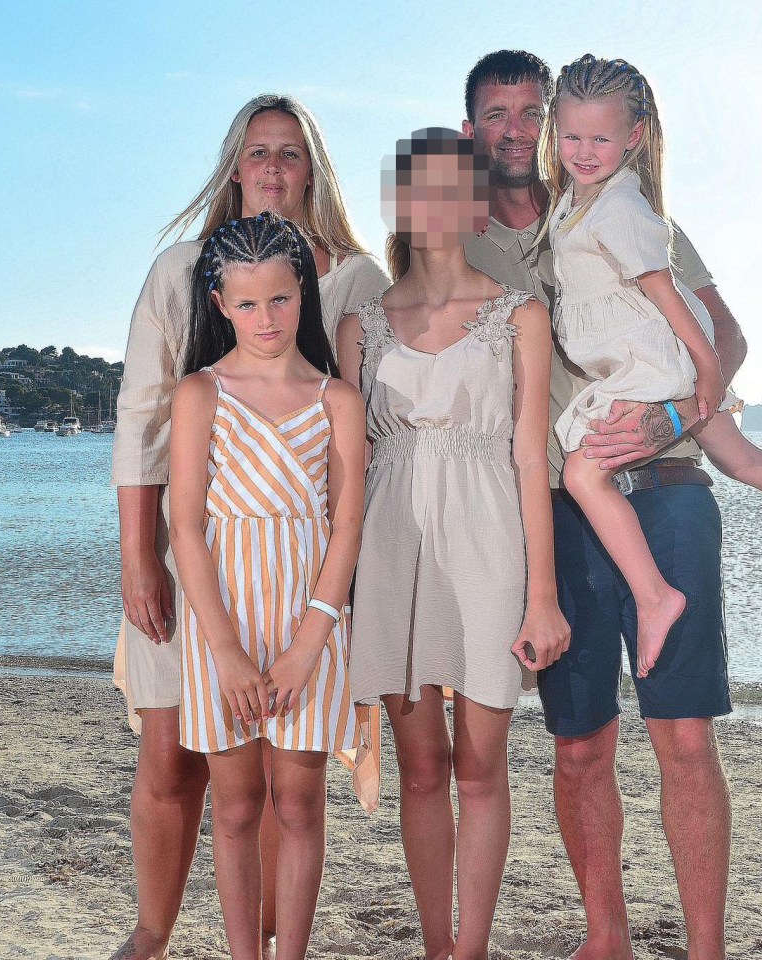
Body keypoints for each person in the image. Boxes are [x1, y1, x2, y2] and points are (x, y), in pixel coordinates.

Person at [461, 49, 734, 960]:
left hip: (665, 491)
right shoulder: (461, 244)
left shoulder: (629, 212)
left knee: (683, 738)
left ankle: (706, 952)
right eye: (497, 114)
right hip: (557, 513)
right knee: (578, 747)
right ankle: (604, 941)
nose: (515, 129)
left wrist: (675, 413)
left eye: (527, 112)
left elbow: (725, 335)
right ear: (474, 131)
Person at [110, 94, 387, 960]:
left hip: (311, 588)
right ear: (236, 165)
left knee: (292, 795)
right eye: (259, 152)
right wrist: (139, 552)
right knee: (176, 756)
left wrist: (324, 623)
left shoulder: (357, 279)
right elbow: (145, 413)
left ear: (314, 171)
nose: (273, 167)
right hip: (207, 576)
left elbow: (361, 465)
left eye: (292, 154)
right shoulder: (183, 270)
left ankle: (273, 941)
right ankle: (155, 929)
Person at [540, 54, 762, 674]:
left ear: (634, 137)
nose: (583, 150)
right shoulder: (579, 201)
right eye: (571, 135)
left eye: (600, 138)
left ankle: (655, 597)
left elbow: (670, 298)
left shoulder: (620, 209)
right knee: (737, 456)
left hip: (649, 360)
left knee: (585, 475)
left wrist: (706, 374)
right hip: (646, 356)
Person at [337, 128, 570, 960]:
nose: (433, 204)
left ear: (476, 204)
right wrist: (340, 592)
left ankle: (470, 950)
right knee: (422, 767)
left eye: (452, 187)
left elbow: (531, 455)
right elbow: (350, 473)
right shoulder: (363, 327)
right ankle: (437, 947)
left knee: (481, 765)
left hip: (489, 546)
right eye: (417, 186)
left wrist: (542, 596)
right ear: (400, 201)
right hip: (391, 548)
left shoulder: (521, 316)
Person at [169, 213, 371, 960]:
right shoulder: (199, 394)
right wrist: (224, 652)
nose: (265, 319)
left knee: (299, 801)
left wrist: (307, 647)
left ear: (303, 295)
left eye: (280, 300)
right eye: (247, 303)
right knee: (236, 804)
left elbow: (346, 527)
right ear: (220, 302)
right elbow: (185, 527)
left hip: (307, 626)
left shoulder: (336, 401)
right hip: (222, 625)